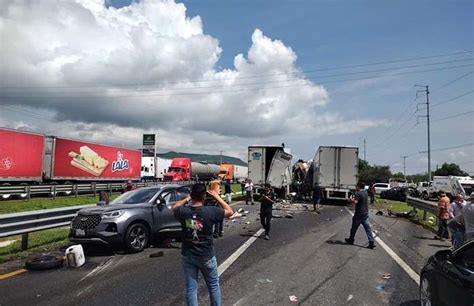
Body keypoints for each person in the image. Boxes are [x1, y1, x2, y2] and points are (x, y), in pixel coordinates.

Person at [173, 183, 233, 306]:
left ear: (192, 195)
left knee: (191, 289)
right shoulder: (210, 211)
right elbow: (230, 211)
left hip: (188, 255)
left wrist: (187, 198)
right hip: (206, 255)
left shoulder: (184, 212)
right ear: (204, 196)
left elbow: (175, 206)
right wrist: (217, 197)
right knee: (213, 286)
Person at [345, 182, 375, 249]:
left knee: (354, 228)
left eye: (356, 186)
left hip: (359, 214)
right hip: (365, 213)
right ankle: (371, 242)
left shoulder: (357, 193)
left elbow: (355, 202)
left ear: (359, 186)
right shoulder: (365, 192)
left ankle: (351, 240)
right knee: (368, 229)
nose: (355, 187)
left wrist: (350, 200)